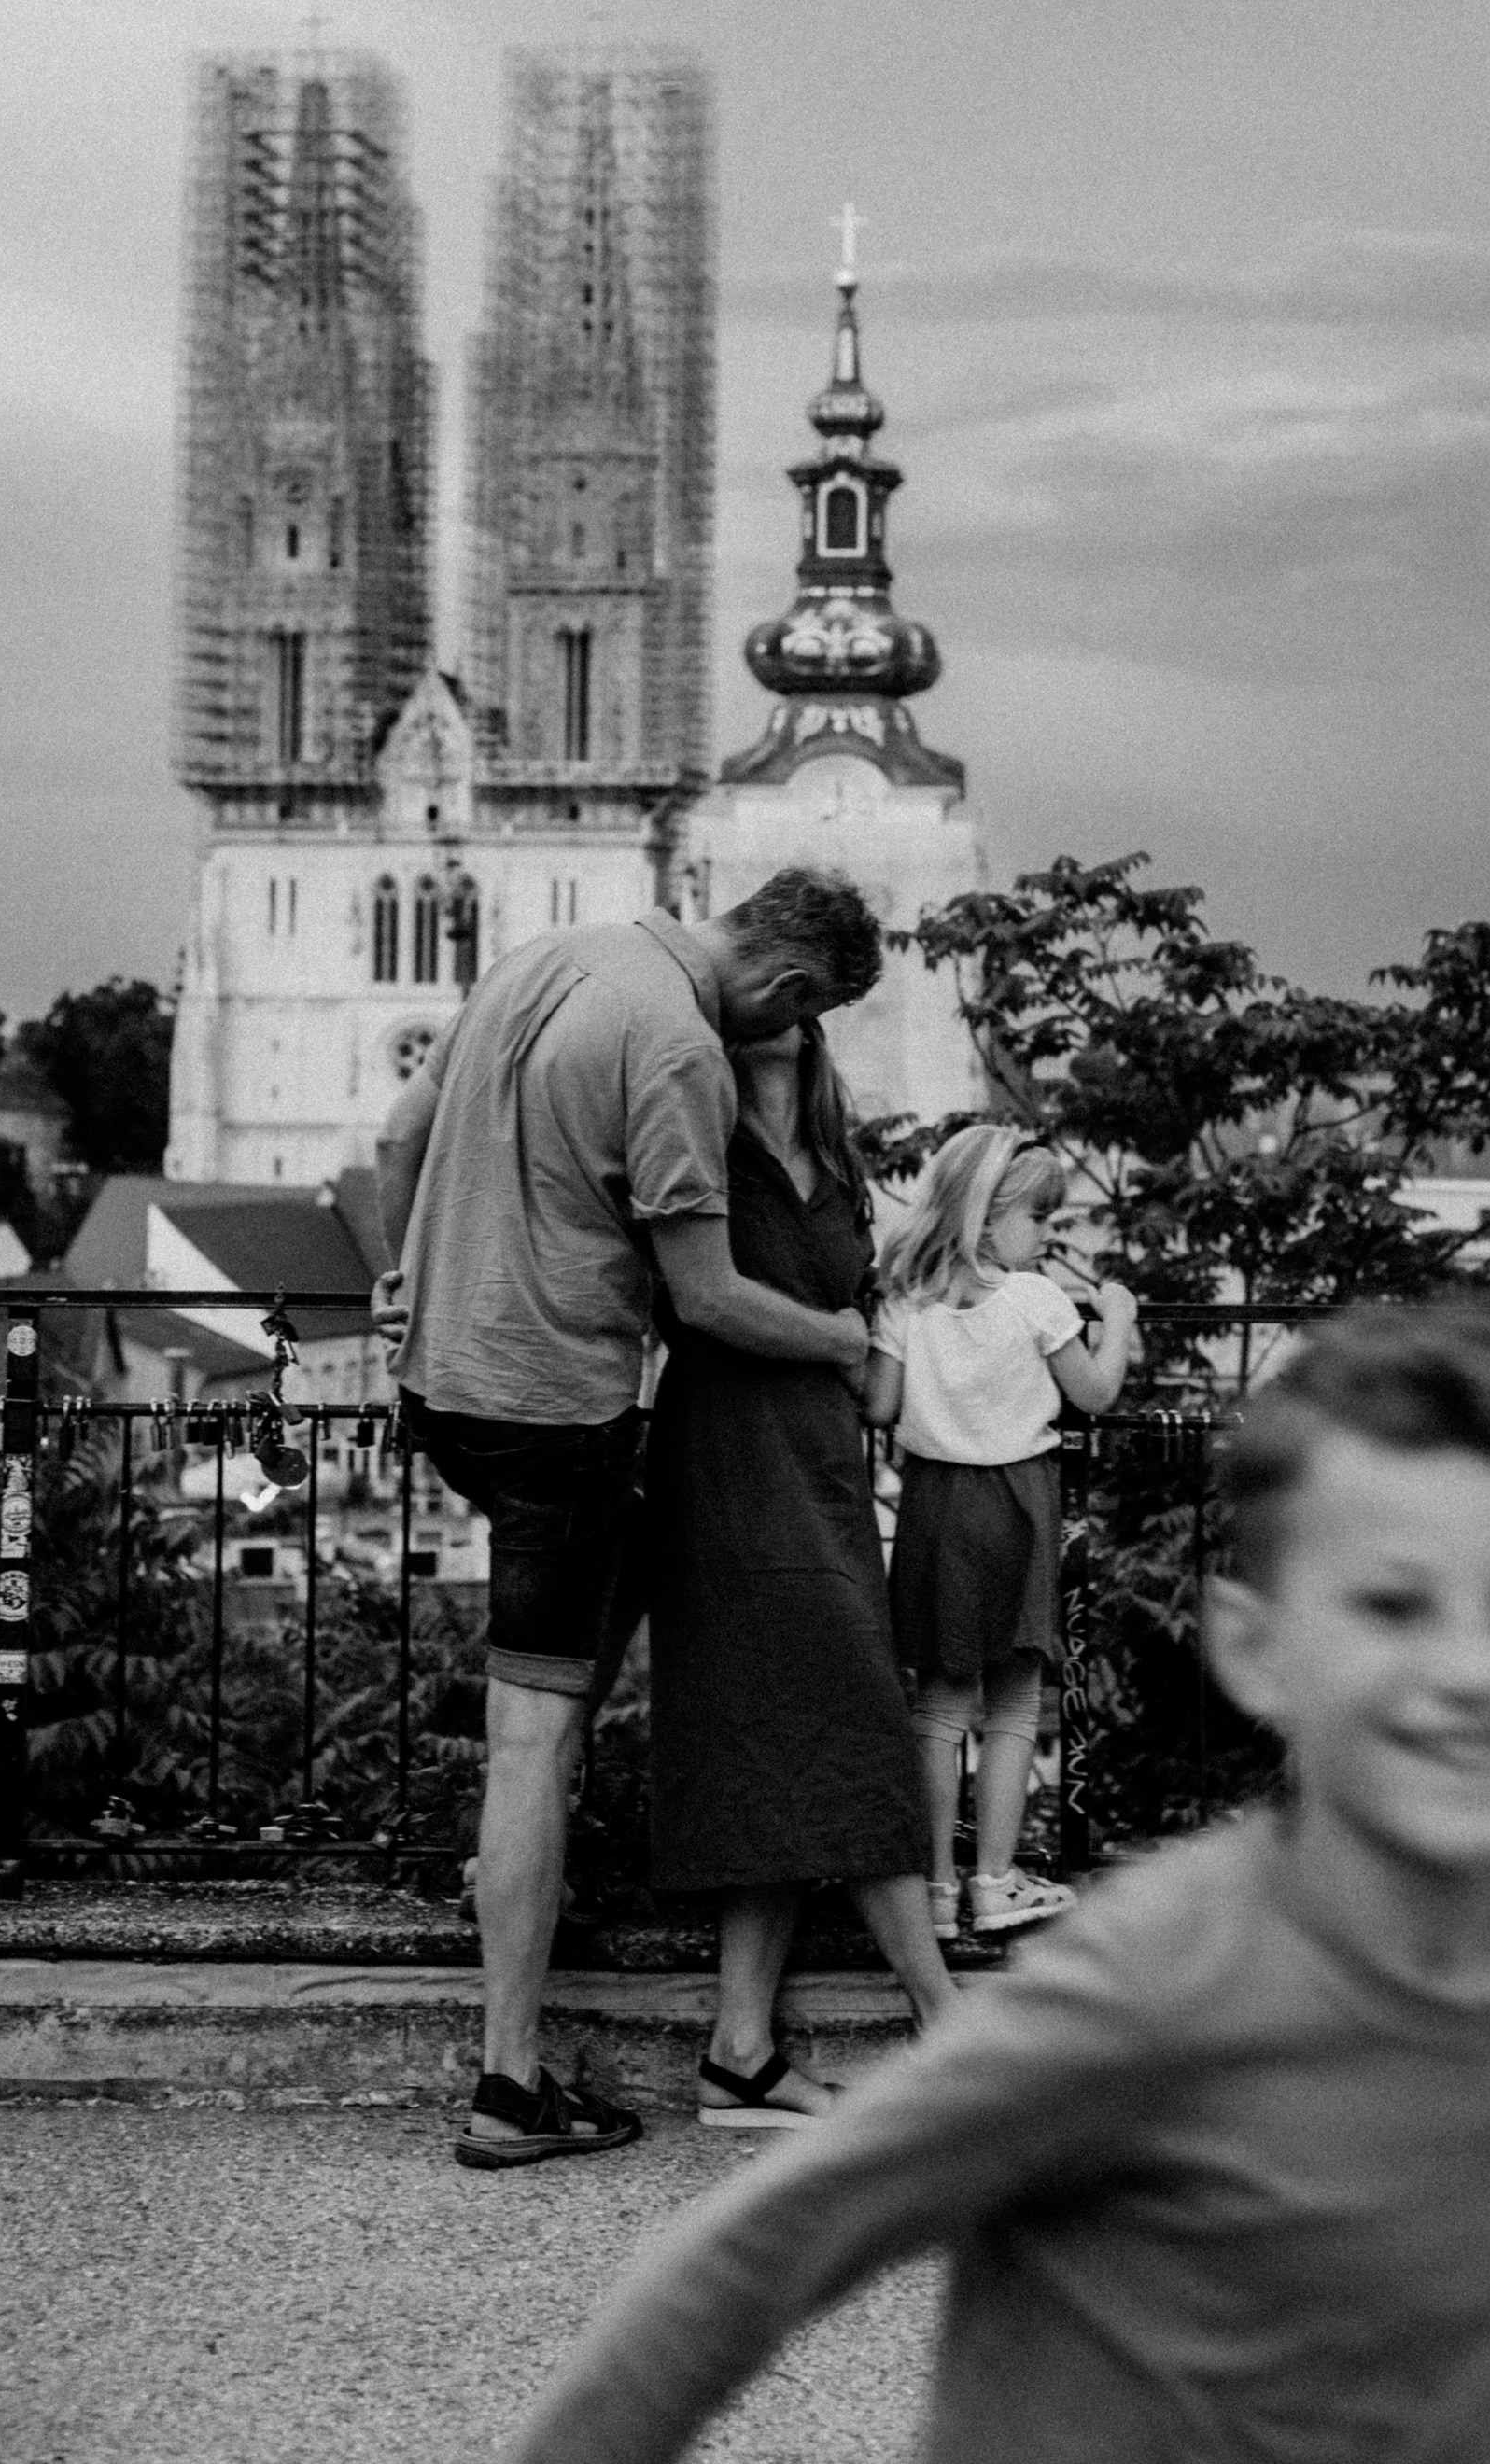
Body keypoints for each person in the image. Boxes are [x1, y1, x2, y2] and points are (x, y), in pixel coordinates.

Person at [499, 1299, 1490, 2464]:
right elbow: (761, 2254)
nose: (1469, 1671)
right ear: (1260, 1650)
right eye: (1393, 1607)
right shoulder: (1153, 1984)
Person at [373, 868, 884, 2169]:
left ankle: (728, 2023)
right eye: (808, 1010)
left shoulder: (546, 953)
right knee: (534, 1740)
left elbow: (396, 1138)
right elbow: (706, 1298)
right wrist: (838, 1338)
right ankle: (510, 2084)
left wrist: (400, 1273)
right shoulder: (675, 1048)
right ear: (790, 986)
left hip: (442, 1381)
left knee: (617, 1633)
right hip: (557, 1412)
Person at [646, 1018, 956, 2126]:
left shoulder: (836, 1160)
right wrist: (835, 1341)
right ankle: (948, 2024)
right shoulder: (697, 1140)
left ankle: (740, 2052)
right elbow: (701, 1297)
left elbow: (864, 1315)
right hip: (729, 1458)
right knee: (854, 1720)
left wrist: (871, 1342)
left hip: (821, 1459)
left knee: (783, 1733)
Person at [865, 1125, 1139, 1937]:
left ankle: (936, 1893)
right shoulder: (1036, 1300)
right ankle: (995, 1881)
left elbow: (878, 1406)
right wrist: (1115, 1317)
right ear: (987, 1221)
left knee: (939, 1707)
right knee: (1016, 1703)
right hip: (1017, 1505)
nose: (1051, 1235)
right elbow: (1092, 1393)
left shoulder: (907, 1301)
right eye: (1040, 1220)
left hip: (931, 1508)